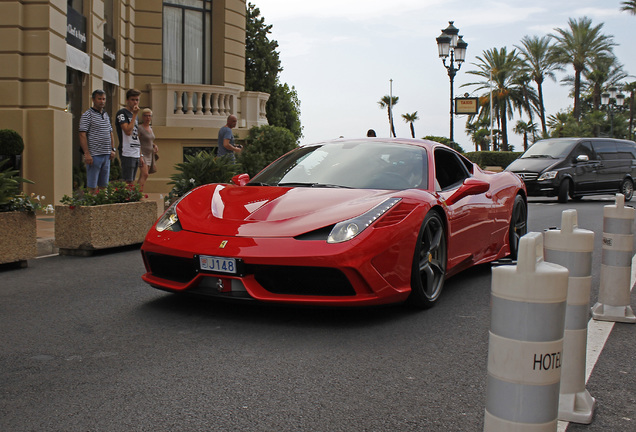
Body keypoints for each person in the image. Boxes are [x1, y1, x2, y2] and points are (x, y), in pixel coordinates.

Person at [78, 89, 116, 193]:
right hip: (94, 155)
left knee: (104, 185)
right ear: (93, 99)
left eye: (104, 99)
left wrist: (113, 149)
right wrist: (87, 153)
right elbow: (82, 134)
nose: (102, 101)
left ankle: (102, 204)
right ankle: (91, 204)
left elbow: (110, 132)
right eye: (99, 99)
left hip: (106, 154)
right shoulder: (87, 115)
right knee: (92, 185)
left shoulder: (105, 115)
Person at [116, 88, 144, 184]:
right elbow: (127, 131)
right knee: (128, 181)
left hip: (135, 150)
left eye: (137, 100)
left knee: (132, 179)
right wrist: (135, 115)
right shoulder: (122, 113)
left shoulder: (135, 115)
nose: (135, 102)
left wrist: (140, 154)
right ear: (127, 100)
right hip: (127, 151)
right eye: (132, 100)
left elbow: (137, 134)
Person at [138, 108, 158, 191]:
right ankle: (138, 193)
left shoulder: (150, 128)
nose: (148, 118)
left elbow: (150, 140)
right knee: (145, 174)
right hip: (143, 153)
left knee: (144, 175)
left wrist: (154, 145)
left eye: (149, 116)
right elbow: (137, 141)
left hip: (150, 154)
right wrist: (140, 155)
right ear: (142, 117)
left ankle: (138, 192)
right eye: (146, 116)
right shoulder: (140, 128)